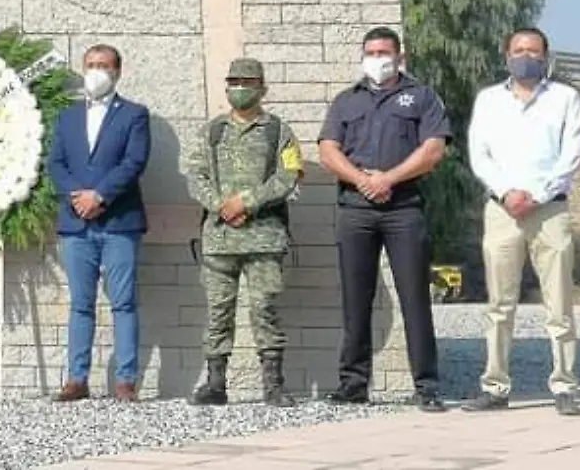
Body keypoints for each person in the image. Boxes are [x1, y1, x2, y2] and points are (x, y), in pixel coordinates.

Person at [318, 26, 450, 412]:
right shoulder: (346, 100)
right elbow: (328, 151)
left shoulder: (422, 97)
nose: (377, 59)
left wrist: (388, 179)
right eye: (371, 53)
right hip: (355, 209)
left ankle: (426, 386)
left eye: (384, 53)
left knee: (415, 298)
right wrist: (364, 181)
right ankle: (353, 384)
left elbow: (433, 150)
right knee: (355, 299)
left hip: (403, 208)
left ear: (399, 57)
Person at [462, 27, 580, 417]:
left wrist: (537, 195)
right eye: (519, 50)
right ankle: (495, 387)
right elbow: (480, 154)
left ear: (545, 56)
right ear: (506, 56)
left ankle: (564, 386)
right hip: (502, 211)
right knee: (499, 304)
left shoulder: (565, 98)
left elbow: (572, 153)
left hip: (550, 211)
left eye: (533, 51)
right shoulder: (489, 100)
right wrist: (507, 193)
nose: (526, 57)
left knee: (559, 304)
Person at [185, 58, 303, 407]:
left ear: (262, 88)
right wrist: (222, 205)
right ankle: (215, 384)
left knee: (265, 308)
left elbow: (289, 176)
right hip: (220, 239)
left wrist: (246, 203)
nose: (239, 88)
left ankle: (273, 385)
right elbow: (195, 176)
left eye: (247, 82)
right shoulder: (211, 131)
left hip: (264, 237)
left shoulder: (279, 131)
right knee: (218, 311)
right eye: (233, 81)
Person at [47, 44, 150, 403]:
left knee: (123, 302)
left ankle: (126, 380)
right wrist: (78, 197)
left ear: (117, 71)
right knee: (81, 303)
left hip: (120, 222)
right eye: (90, 65)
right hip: (76, 224)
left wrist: (101, 196)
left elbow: (134, 162)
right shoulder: (67, 117)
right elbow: (56, 163)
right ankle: (77, 379)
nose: (96, 71)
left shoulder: (134, 114)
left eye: (103, 65)